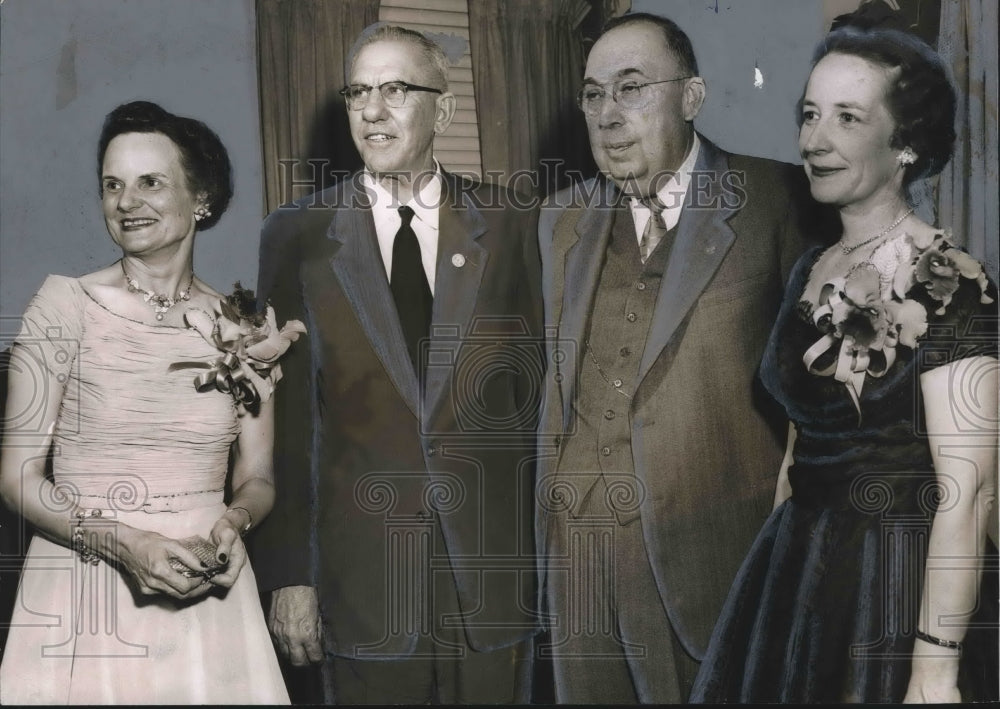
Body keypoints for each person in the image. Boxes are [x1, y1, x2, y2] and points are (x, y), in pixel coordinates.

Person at [690, 25, 999, 704]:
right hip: (798, 567)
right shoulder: (812, 266)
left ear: (906, 145)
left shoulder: (955, 283)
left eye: (848, 118)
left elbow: (970, 491)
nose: (814, 140)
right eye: (809, 113)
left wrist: (935, 668)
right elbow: (801, 440)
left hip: (896, 585)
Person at [251, 23, 543, 705]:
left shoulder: (511, 224)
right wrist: (291, 573)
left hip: (493, 581)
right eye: (358, 92)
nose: (372, 111)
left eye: (395, 90)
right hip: (362, 584)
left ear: (443, 107)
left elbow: (542, 401)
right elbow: (286, 420)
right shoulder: (297, 234)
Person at [534, 12, 817, 704]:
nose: (608, 114)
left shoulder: (778, 198)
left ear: (691, 97)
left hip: (710, 555)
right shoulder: (558, 218)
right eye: (594, 94)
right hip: (577, 562)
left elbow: (822, 389)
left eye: (631, 88)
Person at [0, 101, 292, 705]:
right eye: (113, 185)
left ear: (201, 197)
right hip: (85, 584)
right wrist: (124, 544)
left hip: (207, 584)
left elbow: (258, 478)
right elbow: (18, 479)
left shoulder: (246, 327)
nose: (126, 202)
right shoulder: (62, 308)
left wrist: (233, 524)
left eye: (150, 183)